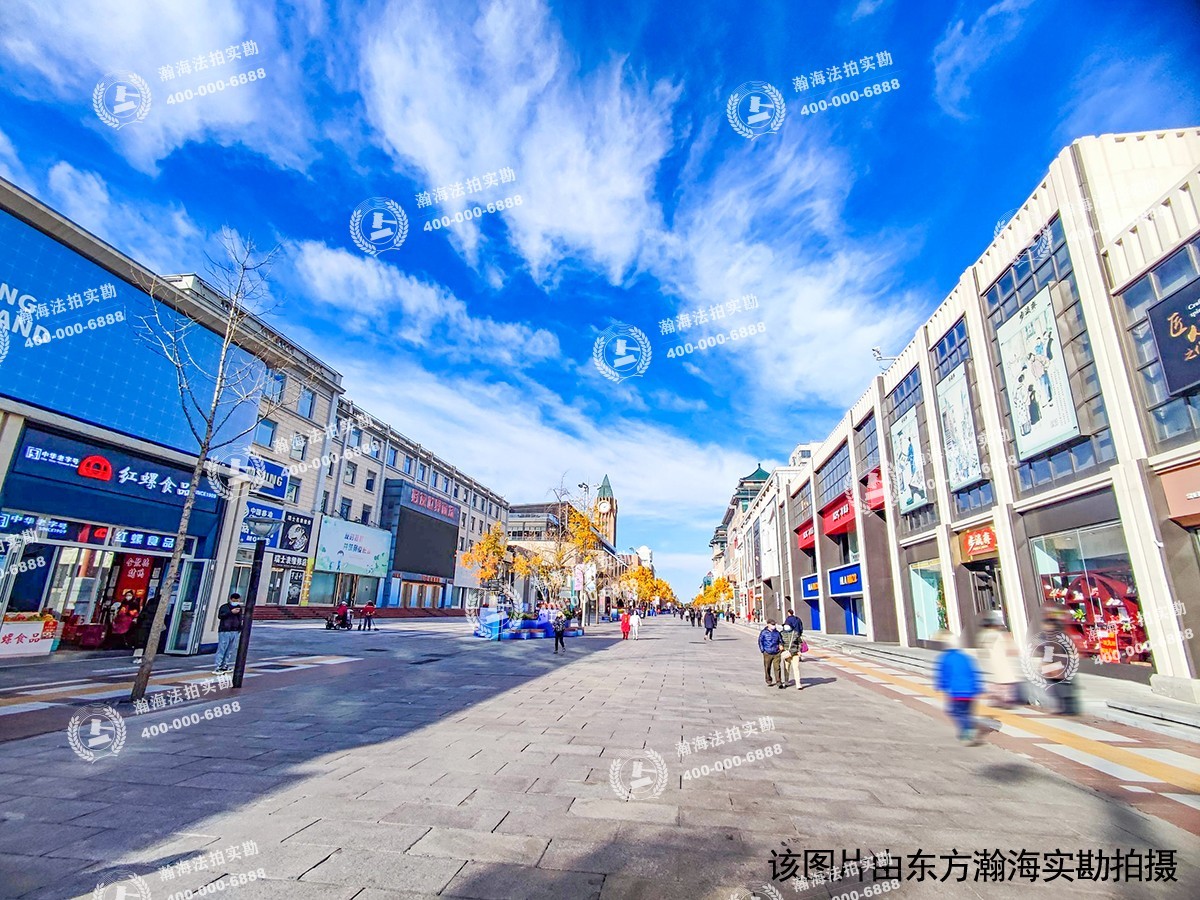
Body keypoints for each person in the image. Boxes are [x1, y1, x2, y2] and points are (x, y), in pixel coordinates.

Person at [934, 631, 983, 744]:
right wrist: (978, 688)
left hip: (956, 692)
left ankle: (967, 730)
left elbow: (944, 675)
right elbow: (974, 673)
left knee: (955, 712)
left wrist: (940, 686)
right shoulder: (966, 658)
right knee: (967, 712)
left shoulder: (946, 658)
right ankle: (968, 729)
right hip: (970, 691)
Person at [978, 612, 1021, 707]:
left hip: (992, 670)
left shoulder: (983, 636)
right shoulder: (1001, 635)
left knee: (996, 686)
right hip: (1004, 668)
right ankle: (1005, 701)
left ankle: (998, 700)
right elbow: (1013, 651)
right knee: (1006, 686)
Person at [214, 593, 243, 674]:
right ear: (231, 599)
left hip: (235, 630)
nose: (236, 601)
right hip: (225, 630)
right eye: (235, 600)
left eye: (238, 600)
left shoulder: (239, 608)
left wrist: (240, 627)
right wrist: (231, 612)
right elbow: (220, 616)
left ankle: (225, 665)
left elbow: (240, 618)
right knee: (222, 648)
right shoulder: (224, 607)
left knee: (230, 649)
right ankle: (218, 666)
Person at [780, 618, 804, 690]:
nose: (786, 626)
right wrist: (780, 647)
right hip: (786, 653)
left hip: (795, 653)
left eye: (787, 625)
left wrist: (799, 651)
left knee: (796, 668)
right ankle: (786, 681)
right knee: (786, 668)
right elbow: (779, 642)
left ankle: (798, 683)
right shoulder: (781, 633)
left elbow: (800, 643)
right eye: (785, 625)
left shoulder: (795, 633)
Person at [759, 619, 783, 687]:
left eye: (774, 624)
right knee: (767, 667)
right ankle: (768, 680)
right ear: (768, 624)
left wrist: (780, 645)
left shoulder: (777, 633)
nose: (774, 626)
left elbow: (780, 641)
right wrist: (763, 650)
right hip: (767, 652)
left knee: (777, 667)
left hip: (776, 652)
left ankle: (778, 682)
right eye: (772, 624)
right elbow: (760, 641)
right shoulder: (764, 632)